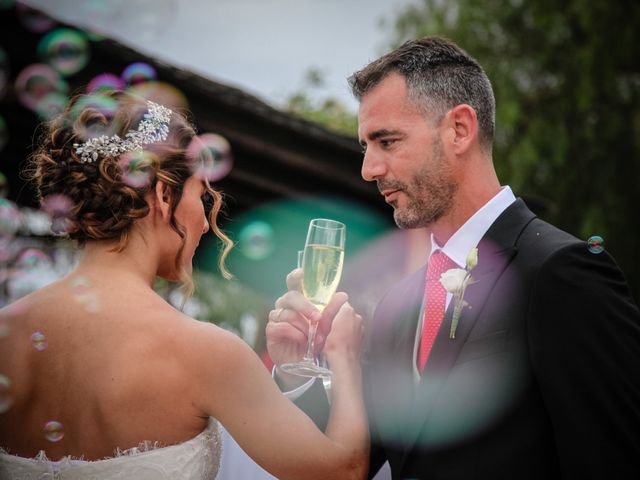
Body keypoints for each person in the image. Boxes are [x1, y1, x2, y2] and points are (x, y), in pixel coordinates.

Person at [266, 36, 640, 479]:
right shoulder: (396, 306)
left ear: (460, 129)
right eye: (366, 146)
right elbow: (351, 462)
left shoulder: (561, 274)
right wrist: (295, 371)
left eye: (386, 141)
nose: (369, 169)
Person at [0, 90, 369, 480]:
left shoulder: (7, 334)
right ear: (163, 195)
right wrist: (343, 358)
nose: (206, 223)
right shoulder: (206, 351)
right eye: (200, 195)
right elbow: (342, 471)